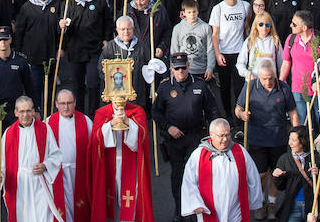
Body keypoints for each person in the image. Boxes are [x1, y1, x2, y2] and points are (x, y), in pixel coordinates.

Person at [153, 53, 220, 220]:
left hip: (195, 137)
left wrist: (214, 133)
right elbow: (156, 112)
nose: (181, 71)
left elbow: (212, 110)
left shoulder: (201, 85)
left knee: (195, 176)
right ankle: (179, 210)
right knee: (177, 175)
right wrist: (168, 128)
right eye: (177, 68)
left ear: (189, 66)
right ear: (171, 69)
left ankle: (195, 211)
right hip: (174, 140)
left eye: (183, 67)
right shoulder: (164, 88)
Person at [235, 61, 299, 220]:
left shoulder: (283, 87)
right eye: (264, 79)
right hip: (257, 138)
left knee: (275, 174)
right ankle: (260, 202)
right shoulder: (250, 86)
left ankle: (271, 203)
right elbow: (238, 109)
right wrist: (242, 115)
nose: (268, 82)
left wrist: (297, 133)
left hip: (278, 138)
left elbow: (293, 113)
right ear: (258, 77)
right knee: (260, 174)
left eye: (270, 78)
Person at [0, 95, 63, 222]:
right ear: (16, 112)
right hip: (19, 185)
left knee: (43, 217)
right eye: (22, 111)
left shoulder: (45, 129)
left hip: (40, 183)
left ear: (34, 111)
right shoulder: (9, 133)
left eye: (29, 111)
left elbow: (56, 155)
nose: (25, 115)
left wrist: (45, 165)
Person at [181, 117, 263, 222]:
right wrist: (195, 203)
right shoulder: (198, 155)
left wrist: (255, 200)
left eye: (228, 135)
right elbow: (189, 182)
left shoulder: (239, 151)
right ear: (211, 134)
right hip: (209, 209)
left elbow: (253, 176)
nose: (225, 139)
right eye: (221, 136)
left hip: (235, 208)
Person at [88, 96, 155, 222]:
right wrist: (111, 124)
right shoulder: (102, 113)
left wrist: (129, 122)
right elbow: (96, 139)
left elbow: (143, 137)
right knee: (111, 201)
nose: (119, 98)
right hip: (109, 165)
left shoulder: (137, 111)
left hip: (130, 165)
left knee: (131, 201)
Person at [47, 89, 92, 222]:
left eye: (69, 103)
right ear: (56, 104)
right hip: (57, 173)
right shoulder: (48, 123)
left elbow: (95, 146)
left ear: (75, 103)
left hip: (79, 172)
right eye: (62, 103)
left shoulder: (86, 121)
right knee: (62, 206)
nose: (66, 107)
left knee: (79, 205)